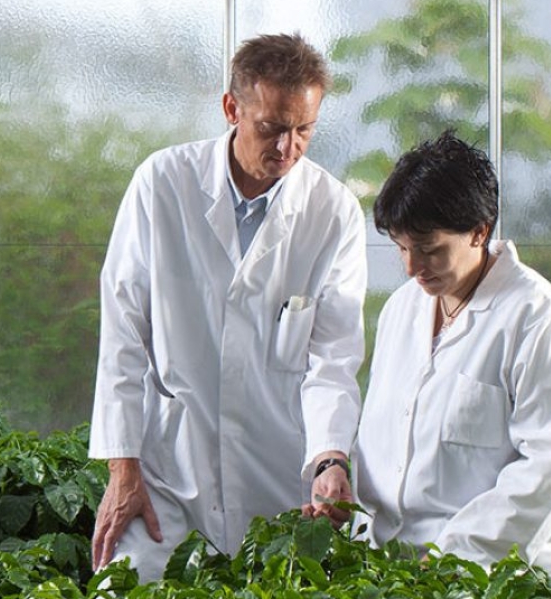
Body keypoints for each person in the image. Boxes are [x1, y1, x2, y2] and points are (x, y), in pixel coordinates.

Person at [88, 33, 367, 581]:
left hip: (279, 475)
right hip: (170, 472)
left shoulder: (333, 212)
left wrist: (331, 458)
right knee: (122, 587)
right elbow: (123, 337)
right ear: (232, 108)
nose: (288, 147)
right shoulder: (162, 185)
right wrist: (124, 470)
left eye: (303, 130)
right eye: (271, 127)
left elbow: (332, 359)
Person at [349, 131, 551, 577]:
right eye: (402, 249)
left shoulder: (537, 322)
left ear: (479, 232)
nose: (411, 268)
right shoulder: (401, 310)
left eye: (429, 251)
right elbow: (381, 440)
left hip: (492, 576)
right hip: (395, 571)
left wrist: (456, 557)